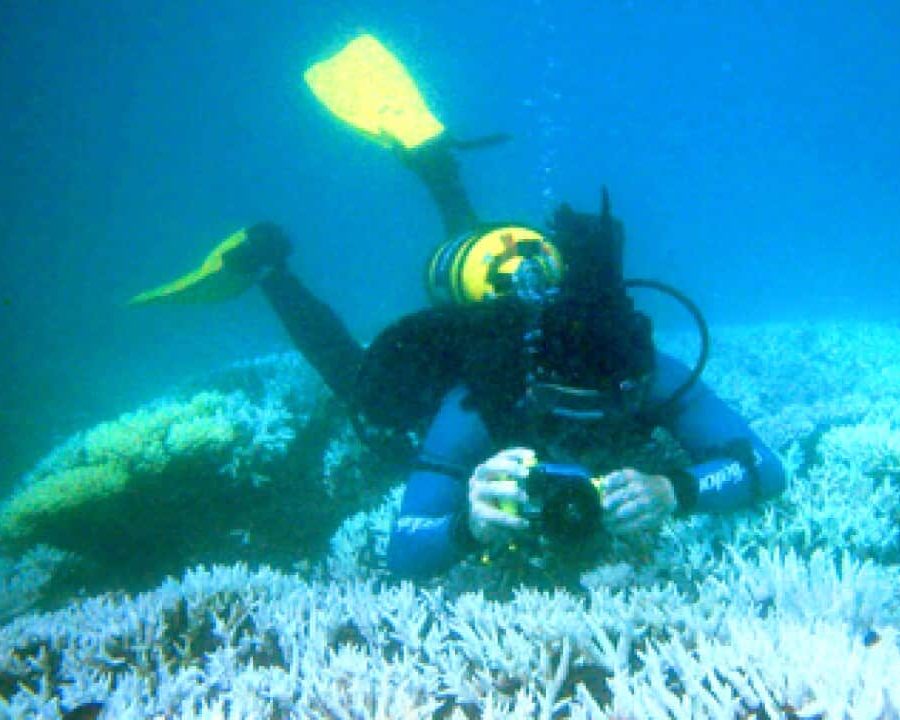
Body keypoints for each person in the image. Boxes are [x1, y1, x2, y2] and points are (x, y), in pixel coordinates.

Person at [131, 34, 788, 579]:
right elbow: (405, 549)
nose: (576, 429)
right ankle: (269, 268)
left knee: (500, 271)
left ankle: (435, 165)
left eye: (598, 405)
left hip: (514, 304)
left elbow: (768, 467)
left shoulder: (641, 363)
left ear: (629, 373)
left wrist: (678, 491)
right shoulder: (485, 391)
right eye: (561, 405)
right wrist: (469, 526)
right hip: (477, 350)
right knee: (365, 393)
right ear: (532, 375)